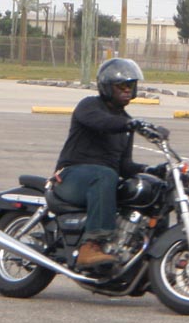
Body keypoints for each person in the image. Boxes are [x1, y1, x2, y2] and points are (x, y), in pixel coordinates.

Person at [52, 58, 152, 269]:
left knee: (151, 186)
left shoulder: (125, 124)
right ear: (107, 87)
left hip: (101, 179)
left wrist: (151, 170)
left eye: (131, 85)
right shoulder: (89, 106)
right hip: (70, 176)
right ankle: (91, 245)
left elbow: (124, 166)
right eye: (121, 85)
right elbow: (102, 122)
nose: (127, 89)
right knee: (104, 174)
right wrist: (131, 124)